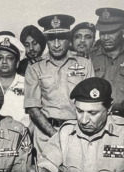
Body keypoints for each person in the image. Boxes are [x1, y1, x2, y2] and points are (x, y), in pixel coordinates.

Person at [24, 14, 94, 159]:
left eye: (61, 38)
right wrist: (56, 135)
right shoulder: (35, 67)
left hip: (77, 133)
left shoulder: (84, 63)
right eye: (51, 39)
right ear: (46, 41)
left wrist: (77, 134)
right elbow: (33, 108)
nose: (56, 44)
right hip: (45, 136)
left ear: (69, 39)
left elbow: (92, 104)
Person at [0, 34, 30, 127]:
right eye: (0, 58)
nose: (4, 61)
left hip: (21, 135)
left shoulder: (28, 84)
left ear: (17, 63)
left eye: (9, 58)